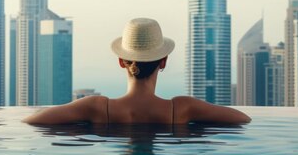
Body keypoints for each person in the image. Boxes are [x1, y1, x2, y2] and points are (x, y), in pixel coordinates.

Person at [23, 18, 251, 125]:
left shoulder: (97, 107)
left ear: (122, 62)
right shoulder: (181, 109)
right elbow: (242, 119)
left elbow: (34, 121)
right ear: (163, 62)